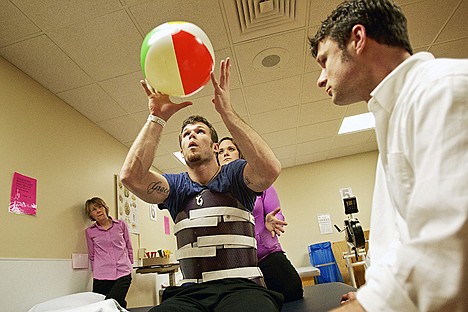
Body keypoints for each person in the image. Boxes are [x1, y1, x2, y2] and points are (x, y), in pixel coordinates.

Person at [309, 0, 468, 311]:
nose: (321, 79)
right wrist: (371, 291)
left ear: (357, 39)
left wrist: (368, 304)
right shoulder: (394, 118)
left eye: (324, 60)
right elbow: (404, 235)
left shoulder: (442, 91)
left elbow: (450, 251)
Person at [119, 57, 283, 311]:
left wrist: (226, 112)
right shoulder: (175, 188)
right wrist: (156, 118)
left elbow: (270, 169)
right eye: (186, 135)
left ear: (215, 147)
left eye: (200, 131)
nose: (191, 136)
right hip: (192, 294)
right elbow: (131, 177)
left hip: (243, 288)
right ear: (182, 150)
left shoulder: (235, 176)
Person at [217, 137, 303, 302]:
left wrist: (271, 220)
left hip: (267, 255)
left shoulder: (261, 183)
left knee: (292, 290)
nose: (225, 153)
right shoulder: (216, 191)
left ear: (240, 155)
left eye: (230, 149)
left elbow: (276, 213)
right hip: (236, 264)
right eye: (221, 151)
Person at [84, 197, 133, 308]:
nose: (98, 211)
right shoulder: (90, 232)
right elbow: (92, 254)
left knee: (112, 302)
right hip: (102, 275)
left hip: (123, 272)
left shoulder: (121, 225)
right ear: (91, 215)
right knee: (101, 305)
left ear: (105, 208)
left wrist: (130, 264)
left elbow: (128, 246)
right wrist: (95, 270)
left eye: (100, 207)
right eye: (94, 209)